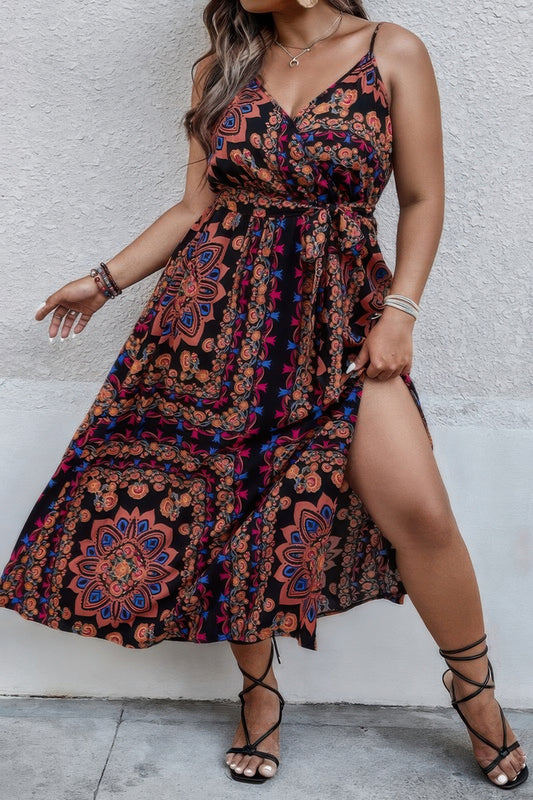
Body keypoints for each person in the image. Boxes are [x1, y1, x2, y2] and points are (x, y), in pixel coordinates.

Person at [0, 0, 528, 791]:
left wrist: (399, 312)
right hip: (217, 320)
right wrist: (103, 282)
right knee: (236, 510)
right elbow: (195, 207)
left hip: (340, 314)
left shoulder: (390, 52)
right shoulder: (220, 69)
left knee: (417, 509)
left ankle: (473, 686)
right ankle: (258, 691)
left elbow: (422, 198)